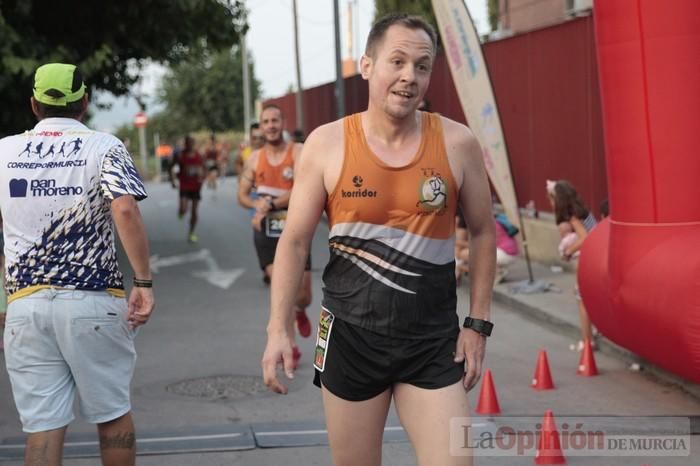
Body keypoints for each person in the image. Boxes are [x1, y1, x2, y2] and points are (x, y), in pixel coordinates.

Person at [261, 14, 496, 466]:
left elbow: (484, 233)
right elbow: (293, 242)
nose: (410, 76)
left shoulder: (457, 142)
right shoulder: (326, 144)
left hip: (431, 341)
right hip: (351, 336)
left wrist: (477, 324)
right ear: (367, 65)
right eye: (398, 61)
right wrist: (278, 329)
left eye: (422, 66)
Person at [0, 63, 155, 466]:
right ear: (84, 103)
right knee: (112, 414)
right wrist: (144, 281)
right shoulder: (105, 147)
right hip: (93, 303)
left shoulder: (3, 151)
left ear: (33, 104)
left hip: (25, 306)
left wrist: (4, 303)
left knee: (43, 427)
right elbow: (124, 208)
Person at [238, 104, 313, 359]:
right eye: (266, 121)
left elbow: (304, 187)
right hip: (266, 232)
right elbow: (242, 195)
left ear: (283, 123)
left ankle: (300, 312)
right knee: (283, 285)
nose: (270, 125)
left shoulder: (298, 152)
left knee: (303, 295)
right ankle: (289, 344)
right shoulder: (254, 159)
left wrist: (271, 203)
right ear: (260, 126)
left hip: (295, 229)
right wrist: (255, 204)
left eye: (275, 120)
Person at [546, 179, 597, 351]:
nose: (551, 203)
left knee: (582, 300)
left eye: (552, 199)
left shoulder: (573, 216)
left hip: (587, 261)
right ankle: (592, 334)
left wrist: (567, 252)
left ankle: (587, 341)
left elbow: (584, 237)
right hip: (595, 258)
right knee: (589, 298)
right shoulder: (583, 212)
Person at [171, 135, 205, 243]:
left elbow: (203, 169)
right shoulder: (180, 155)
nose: (189, 145)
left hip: (196, 187)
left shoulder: (198, 156)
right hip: (184, 185)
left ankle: (191, 233)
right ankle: (181, 212)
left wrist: (202, 178)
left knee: (194, 211)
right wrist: (173, 180)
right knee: (184, 209)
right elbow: (172, 167)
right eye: (187, 143)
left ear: (193, 144)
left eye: (191, 143)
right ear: (185, 144)